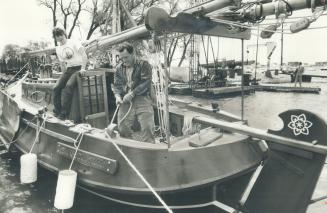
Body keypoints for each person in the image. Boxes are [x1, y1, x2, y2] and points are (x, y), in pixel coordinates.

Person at [112, 42, 155, 143]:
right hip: (125, 99)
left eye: (126, 57)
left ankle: (149, 151)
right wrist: (117, 96)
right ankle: (129, 147)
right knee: (122, 127)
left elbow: (145, 82)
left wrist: (132, 93)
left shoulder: (144, 64)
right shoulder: (119, 68)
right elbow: (117, 85)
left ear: (133, 54)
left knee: (147, 127)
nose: (123, 60)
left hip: (142, 98)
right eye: (121, 58)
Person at [52, 27, 88, 120]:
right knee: (56, 88)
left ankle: (64, 114)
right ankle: (57, 111)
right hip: (69, 69)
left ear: (64, 34)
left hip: (79, 68)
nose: (60, 38)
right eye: (57, 36)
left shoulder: (73, 42)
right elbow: (62, 64)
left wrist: (83, 68)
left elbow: (84, 55)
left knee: (69, 86)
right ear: (55, 38)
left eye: (61, 35)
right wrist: (63, 76)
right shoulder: (58, 49)